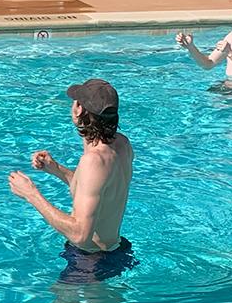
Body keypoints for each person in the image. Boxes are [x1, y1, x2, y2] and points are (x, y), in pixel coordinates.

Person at [8, 78, 136, 284]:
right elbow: (99, 190)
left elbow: (80, 235)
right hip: (117, 250)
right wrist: (55, 168)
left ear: (78, 109)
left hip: (91, 262)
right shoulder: (122, 144)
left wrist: (31, 194)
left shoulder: (93, 161)